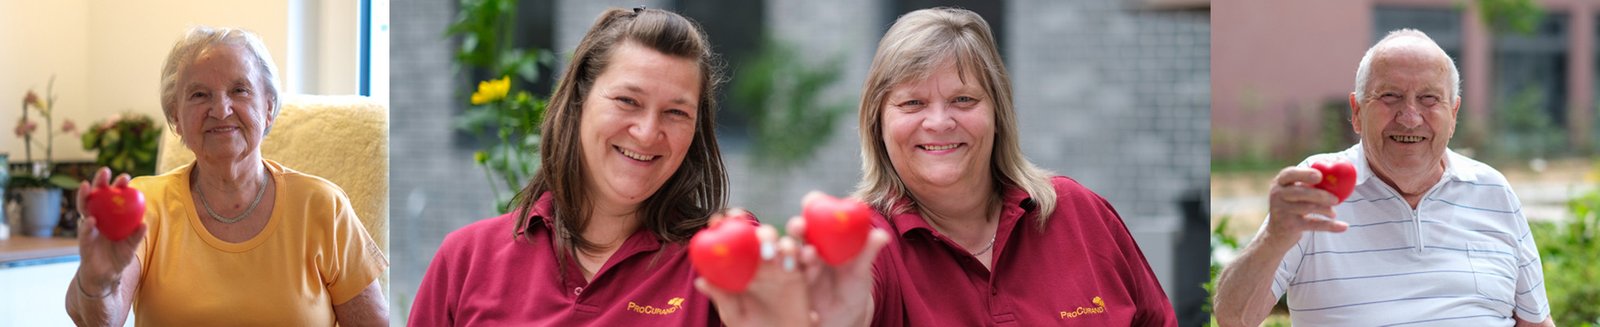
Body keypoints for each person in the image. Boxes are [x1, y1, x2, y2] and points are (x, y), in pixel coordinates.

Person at [408, 7, 806, 326]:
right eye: (627, 101)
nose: (648, 133)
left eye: (675, 112)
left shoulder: (723, 256)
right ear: (579, 101)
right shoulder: (467, 258)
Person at [788, 7, 1175, 326]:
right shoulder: (866, 245)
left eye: (963, 99)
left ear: (997, 113)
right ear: (878, 124)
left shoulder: (1079, 213)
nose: (939, 122)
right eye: (912, 103)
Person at [1212, 29, 1552, 326]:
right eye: (1390, 96)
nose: (1409, 117)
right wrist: (1274, 237)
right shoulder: (1316, 189)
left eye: (1429, 99)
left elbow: (1536, 322)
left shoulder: (1493, 191)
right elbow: (1233, 318)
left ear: (1453, 113)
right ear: (1357, 112)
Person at [64, 26, 389, 326]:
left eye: (239, 90)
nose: (221, 110)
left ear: (268, 108)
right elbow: (99, 322)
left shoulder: (322, 206)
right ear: (176, 117)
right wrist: (97, 282)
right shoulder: (146, 205)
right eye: (199, 95)